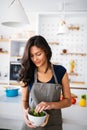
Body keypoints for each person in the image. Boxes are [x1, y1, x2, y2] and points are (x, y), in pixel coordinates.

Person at [18, 35, 71, 130]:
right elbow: (24, 100)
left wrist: (51, 104)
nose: (35, 59)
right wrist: (26, 113)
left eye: (38, 54)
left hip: (54, 124)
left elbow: (68, 101)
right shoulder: (27, 72)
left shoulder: (61, 72)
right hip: (32, 123)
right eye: (31, 56)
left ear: (46, 51)